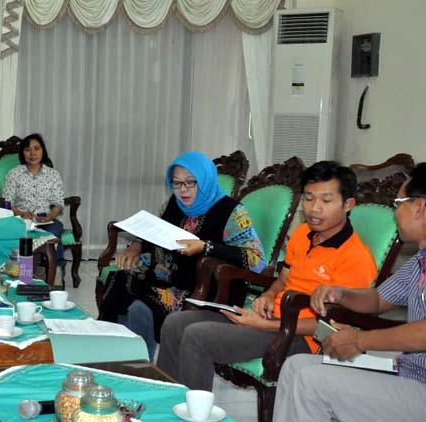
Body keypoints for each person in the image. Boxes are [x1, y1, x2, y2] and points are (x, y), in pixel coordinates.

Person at [156, 161, 378, 391]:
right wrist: (269, 296)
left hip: (299, 338)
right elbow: (283, 278)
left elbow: (331, 327)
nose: (314, 209)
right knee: (175, 323)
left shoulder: (356, 258)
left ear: (348, 204)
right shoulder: (303, 233)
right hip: (269, 319)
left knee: (197, 336)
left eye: (326, 200)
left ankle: (194, 414)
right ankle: (164, 402)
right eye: (309, 198)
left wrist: (265, 325)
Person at [273, 162, 426, 422]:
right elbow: (378, 299)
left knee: (311, 383)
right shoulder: (418, 262)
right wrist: (341, 293)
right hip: (408, 370)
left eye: (398, 202)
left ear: (419, 207)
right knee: (295, 366)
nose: (395, 212)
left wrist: (359, 341)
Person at [99, 151, 266, 360]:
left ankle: (139, 368)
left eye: (190, 183)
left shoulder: (232, 212)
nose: (182, 190)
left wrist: (206, 247)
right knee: (121, 282)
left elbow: (257, 260)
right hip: (168, 278)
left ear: (204, 181)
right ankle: (115, 359)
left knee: (140, 304)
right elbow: (154, 233)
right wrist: (137, 246)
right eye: (176, 183)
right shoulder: (174, 205)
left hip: (205, 289)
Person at [2, 133, 67, 273]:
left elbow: (58, 203)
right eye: (27, 149)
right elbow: (7, 203)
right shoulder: (13, 174)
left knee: (53, 232)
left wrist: (50, 217)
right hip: (21, 220)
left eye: (36, 149)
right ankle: (30, 272)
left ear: (43, 151)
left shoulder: (53, 175)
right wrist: (21, 213)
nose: (32, 153)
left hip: (47, 220)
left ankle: (54, 269)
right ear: (23, 153)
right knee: (26, 236)